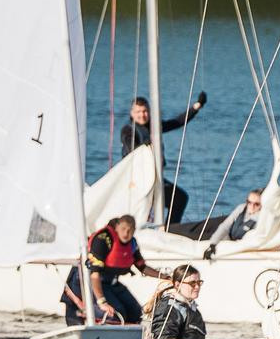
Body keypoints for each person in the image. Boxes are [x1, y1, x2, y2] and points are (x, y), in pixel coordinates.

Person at [119, 94, 206, 223]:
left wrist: (196, 106)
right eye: (138, 112)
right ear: (132, 113)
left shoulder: (154, 127)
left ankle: (170, 230)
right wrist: (145, 145)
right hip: (139, 180)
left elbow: (177, 122)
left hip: (155, 177)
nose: (142, 115)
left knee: (180, 199)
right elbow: (130, 147)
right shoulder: (128, 130)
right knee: (150, 207)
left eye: (145, 111)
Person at [81, 215, 166, 323]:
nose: (126, 233)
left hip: (112, 283)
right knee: (117, 313)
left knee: (136, 313)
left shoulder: (132, 244)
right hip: (93, 282)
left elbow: (142, 267)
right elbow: (94, 275)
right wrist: (102, 302)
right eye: (123, 229)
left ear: (134, 230)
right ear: (117, 227)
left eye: (130, 230)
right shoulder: (104, 239)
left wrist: (165, 277)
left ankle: (133, 336)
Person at [145, 265, 216, 339]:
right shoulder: (169, 308)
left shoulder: (192, 308)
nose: (197, 287)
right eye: (192, 283)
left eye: (199, 282)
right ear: (178, 285)